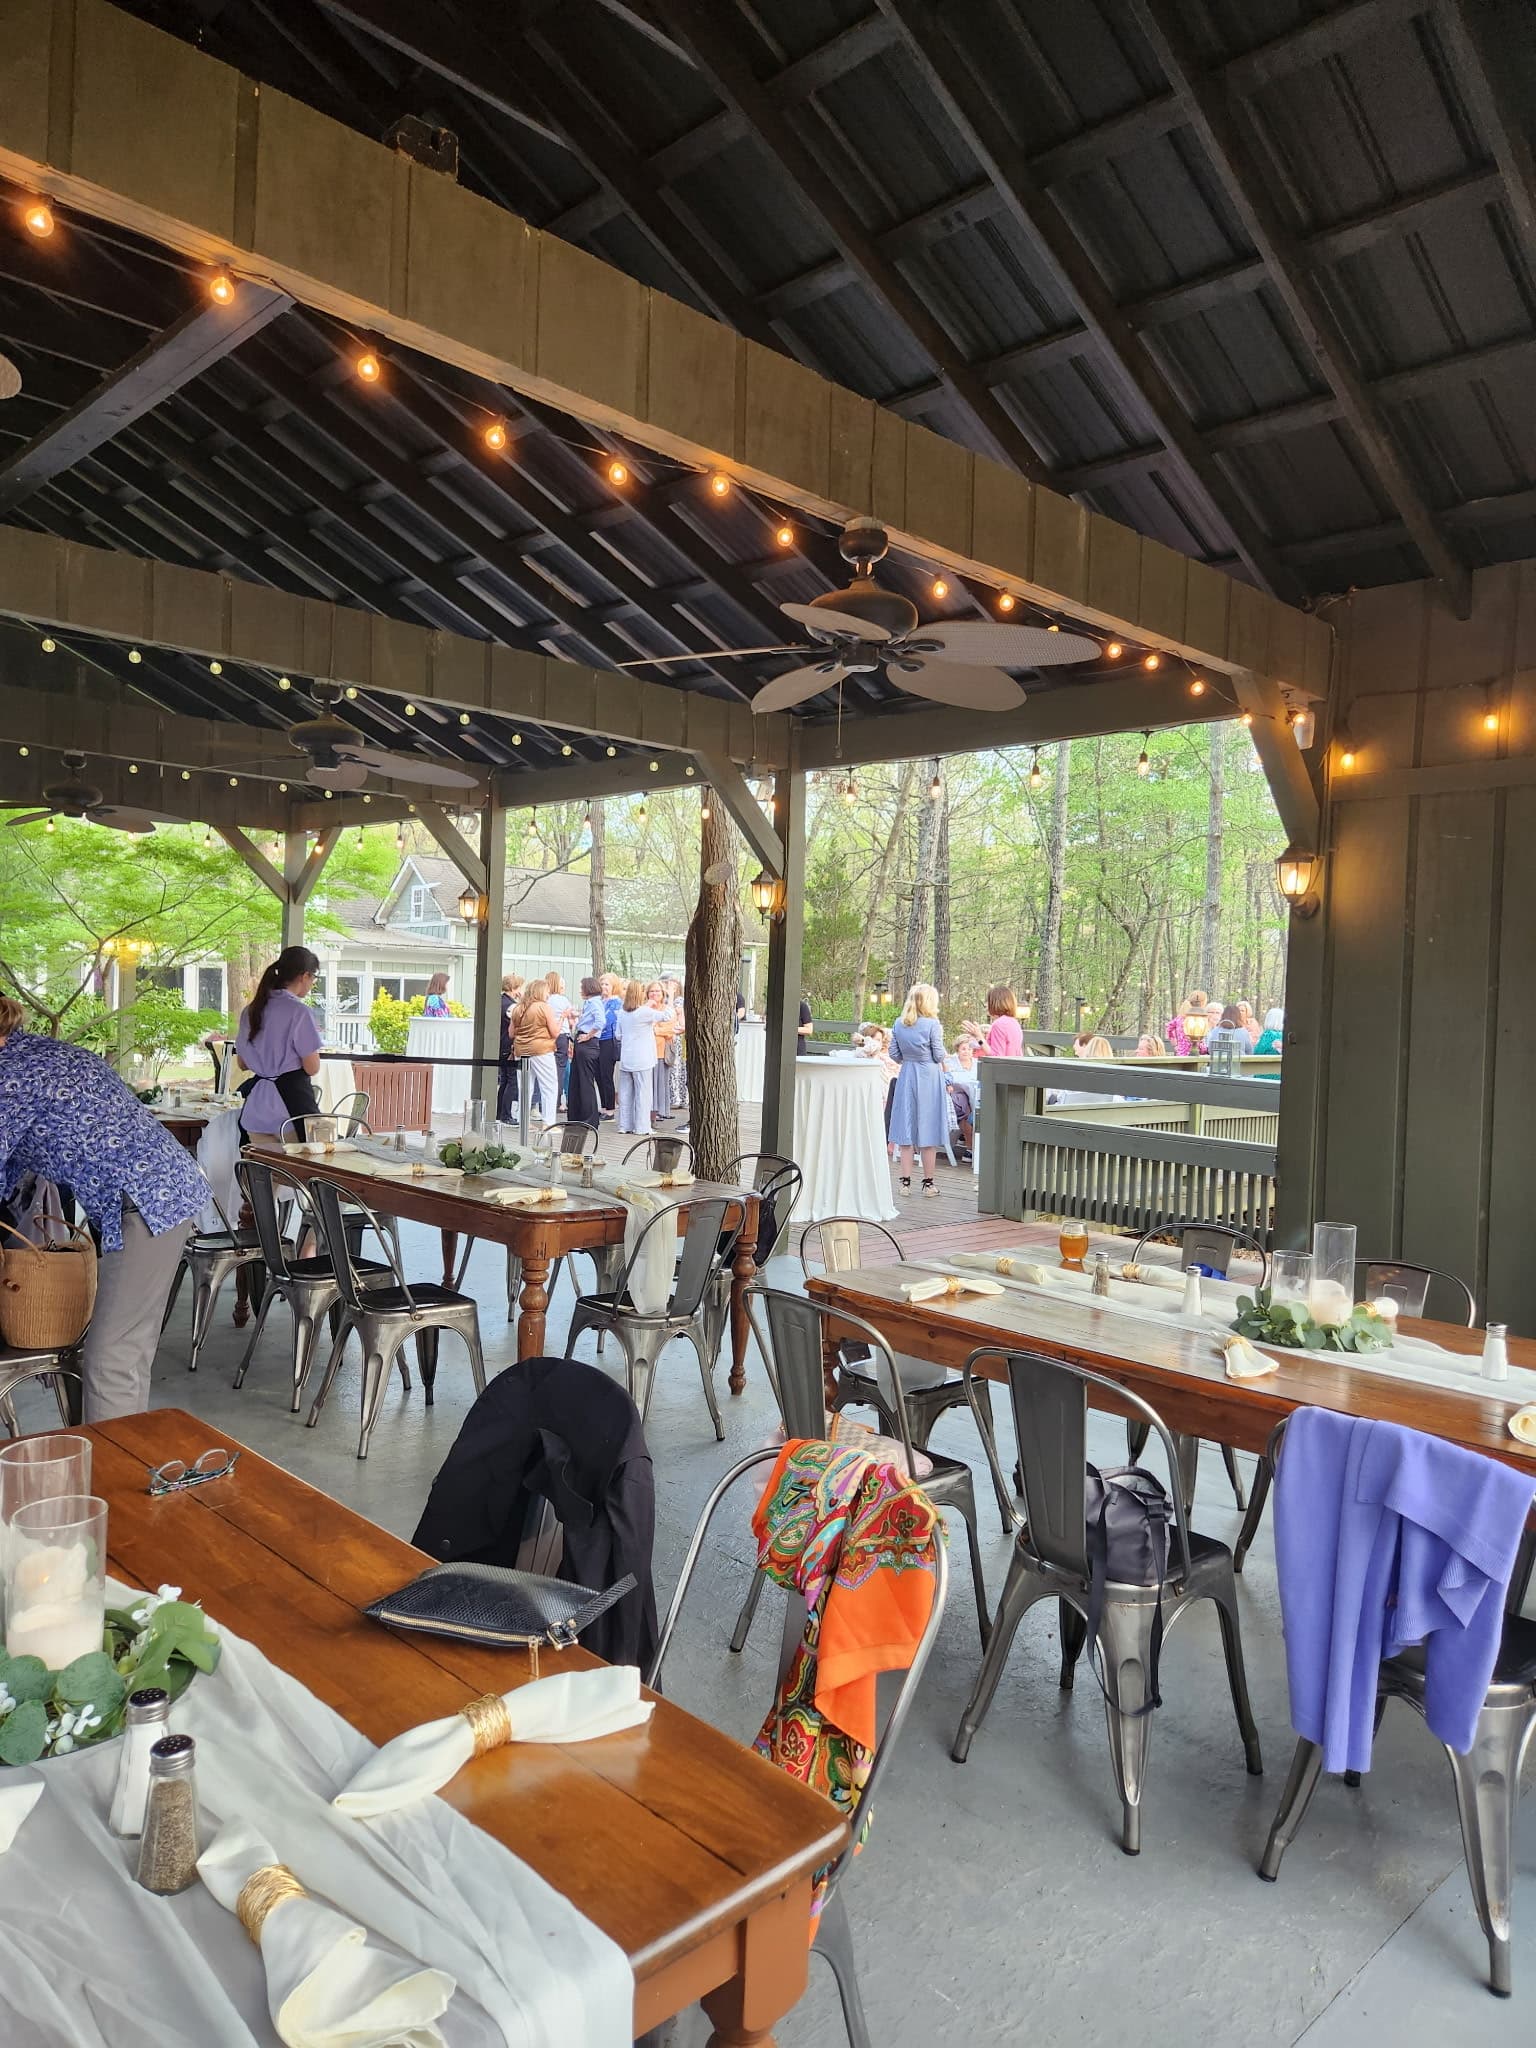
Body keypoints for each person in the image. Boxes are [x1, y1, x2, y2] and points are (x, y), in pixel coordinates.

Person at [0, 994, 208, 1420]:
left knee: (113, 1357)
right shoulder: (40, 1053)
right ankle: (116, 1463)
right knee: (122, 1350)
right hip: (151, 1195)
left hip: (149, 1202)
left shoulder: (12, 1074)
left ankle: (112, 1478)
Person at [234, 945, 323, 1139]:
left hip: (257, 1108)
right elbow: (312, 1067)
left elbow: (242, 1063)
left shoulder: (251, 1010)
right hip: (291, 1106)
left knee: (259, 1165)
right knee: (300, 1166)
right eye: (314, 978)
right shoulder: (299, 1012)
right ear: (304, 976)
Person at [889, 982, 949, 1199]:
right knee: (928, 1130)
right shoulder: (933, 1025)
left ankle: (904, 1183)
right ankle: (928, 1183)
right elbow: (939, 1054)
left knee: (907, 1131)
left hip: (908, 1075)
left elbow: (894, 1053)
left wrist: (909, 1058)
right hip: (928, 1077)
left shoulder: (899, 1023)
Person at [615, 979, 665, 1135]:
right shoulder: (645, 1012)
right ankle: (642, 1127)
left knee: (625, 1094)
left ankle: (624, 1125)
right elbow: (667, 1015)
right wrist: (665, 997)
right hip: (642, 1059)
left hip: (627, 1058)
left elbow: (618, 1035)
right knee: (643, 1094)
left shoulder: (622, 1013)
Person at [511, 978, 559, 1122]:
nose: (548, 995)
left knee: (525, 1087)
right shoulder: (544, 1007)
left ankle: (523, 1121)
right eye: (547, 992)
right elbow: (555, 1032)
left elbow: (511, 1033)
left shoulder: (518, 1008)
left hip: (521, 1051)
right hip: (541, 1050)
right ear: (540, 992)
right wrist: (562, 1019)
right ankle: (548, 1122)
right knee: (549, 1086)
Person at [567, 976, 605, 1125]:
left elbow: (600, 1021)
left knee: (585, 1081)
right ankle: (577, 1115)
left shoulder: (594, 1002)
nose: (580, 990)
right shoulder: (590, 1003)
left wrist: (589, 1035)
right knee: (576, 1080)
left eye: (582, 987)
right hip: (582, 1041)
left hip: (587, 1043)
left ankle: (589, 1118)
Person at [963, 985, 1024, 1059]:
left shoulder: (999, 1024)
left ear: (995, 1003)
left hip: (1002, 1068)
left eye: (988, 1002)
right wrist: (978, 1037)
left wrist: (979, 1036)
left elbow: (996, 1056)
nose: (986, 1005)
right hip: (1016, 1066)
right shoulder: (1014, 1022)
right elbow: (988, 1048)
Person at [647, 980, 677, 1124]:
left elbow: (671, 1029)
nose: (654, 994)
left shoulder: (667, 1009)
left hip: (661, 1053)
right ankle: (646, 1116)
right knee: (648, 1086)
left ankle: (655, 1115)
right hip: (646, 1053)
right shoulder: (644, 1008)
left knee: (659, 1085)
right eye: (652, 991)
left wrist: (655, 1029)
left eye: (657, 991)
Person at [945, 1035, 981, 1157]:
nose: (966, 1052)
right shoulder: (950, 1062)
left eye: (969, 1049)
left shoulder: (977, 1063)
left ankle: (971, 1147)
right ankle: (970, 1147)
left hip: (973, 1095)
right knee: (965, 1109)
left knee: (970, 1108)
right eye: (963, 1049)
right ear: (958, 1049)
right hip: (954, 1095)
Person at [545, 971, 574, 1111]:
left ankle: (544, 1102)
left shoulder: (546, 1000)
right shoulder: (562, 1000)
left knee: (548, 1068)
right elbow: (572, 1014)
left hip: (548, 1035)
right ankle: (556, 1102)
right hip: (561, 1035)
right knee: (560, 1069)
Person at [497, 974, 523, 1124]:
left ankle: (500, 1112)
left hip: (500, 1043)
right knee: (512, 1080)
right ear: (514, 988)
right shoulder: (512, 1006)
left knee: (505, 1079)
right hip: (509, 1045)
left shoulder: (500, 1002)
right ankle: (506, 1114)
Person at [597, 973, 623, 1118]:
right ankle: (603, 1105)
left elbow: (607, 1020)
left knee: (607, 1074)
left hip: (608, 1040)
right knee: (598, 1074)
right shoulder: (599, 1001)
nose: (604, 987)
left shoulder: (616, 1002)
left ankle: (611, 1108)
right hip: (597, 1039)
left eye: (607, 984)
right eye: (602, 984)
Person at [1165, 988, 1210, 1056]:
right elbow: (1199, 1044)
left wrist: (1175, 1045)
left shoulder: (1179, 1019)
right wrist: (1208, 1050)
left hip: (1181, 1055)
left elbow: (1168, 1027)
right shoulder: (1197, 1019)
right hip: (1192, 1056)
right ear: (1202, 1003)